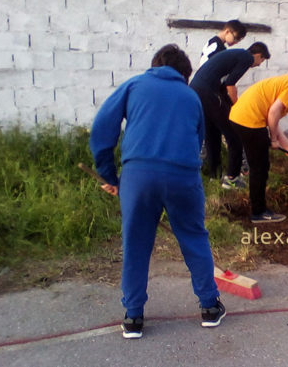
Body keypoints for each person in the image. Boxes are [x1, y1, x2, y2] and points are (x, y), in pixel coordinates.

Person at [89, 44, 226, 339]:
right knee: (193, 237)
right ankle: (210, 307)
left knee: (136, 243)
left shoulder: (134, 85)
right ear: (184, 74)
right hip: (183, 176)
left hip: (138, 176)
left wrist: (110, 175)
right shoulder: (191, 96)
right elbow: (198, 139)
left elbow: (102, 129)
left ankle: (133, 318)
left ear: (155, 65)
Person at [228, 59, 288, 224]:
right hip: (249, 121)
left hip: (238, 117)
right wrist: (273, 139)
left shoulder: (283, 81)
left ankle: (257, 209)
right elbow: (273, 113)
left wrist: (287, 145)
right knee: (260, 167)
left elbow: (272, 117)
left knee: (258, 165)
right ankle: (259, 212)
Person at [190, 42, 271, 188]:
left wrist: (228, 104)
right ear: (258, 55)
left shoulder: (235, 55)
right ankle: (231, 179)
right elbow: (230, 84)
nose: (259, 64)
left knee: (212, 134)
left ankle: (214, 176)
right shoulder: (246, 58)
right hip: (208, 92)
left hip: (197, 90)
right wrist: (238, 107)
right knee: (235, 135)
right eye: (262, 60)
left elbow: (223, 85)